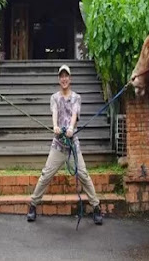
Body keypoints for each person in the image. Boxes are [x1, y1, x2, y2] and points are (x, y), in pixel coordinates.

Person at [26, 64, 103, 225]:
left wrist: (70, 128)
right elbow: (54, 112)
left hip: (72, 145)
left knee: (83, 174)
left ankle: (96, 207)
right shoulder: (54, 97)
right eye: (61, 76)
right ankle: (33, 205)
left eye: (66, 76)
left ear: (70, 78)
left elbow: (74, 113)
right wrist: (55, 126)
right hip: (58, 145)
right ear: (59, 79)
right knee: (46, 174)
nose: (64, 79)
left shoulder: (77, 97)